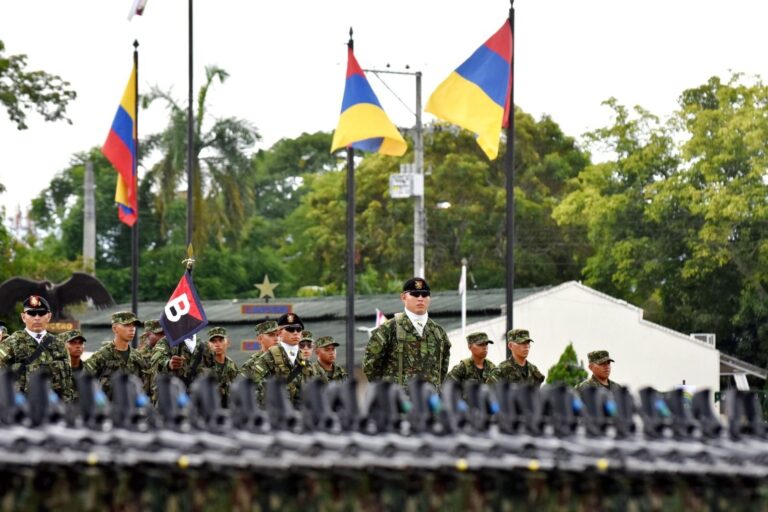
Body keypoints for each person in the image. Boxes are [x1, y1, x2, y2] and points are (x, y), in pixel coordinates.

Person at [363, 277, 451, 389]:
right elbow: (371, 366)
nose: (420, 298)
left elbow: (442, 370)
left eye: (424, 295)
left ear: (430, 298)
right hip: (398, 398)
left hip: (429, 398)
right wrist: (386, 392)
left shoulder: (438, 332)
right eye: (415, 294)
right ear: (403, 297)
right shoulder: (389, 328)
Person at [0, 295, 75, 401]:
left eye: (41, 313)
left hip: (54, 408)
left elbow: (67, 385)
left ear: (49, 316)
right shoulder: (11, 343)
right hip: (23, 408)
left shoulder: (59, 345)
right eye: (31, 313)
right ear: (23, 317)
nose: (37, 317)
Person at [244, 312, 317, 407]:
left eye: (299, 329)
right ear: (279, 333)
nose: (295, 332)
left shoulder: (306, 363)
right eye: (290, 329)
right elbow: (251, 390)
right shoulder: (268, 358)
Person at [84, 311, 148, 400]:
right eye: (126, 325)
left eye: (133, 325)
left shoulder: (137, 357)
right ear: (114, 329)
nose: (132, 329)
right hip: (109, 407)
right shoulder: (101, 356)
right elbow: (84, 381)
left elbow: (145, 385)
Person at [150, 322, 215, 399]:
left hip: (195, 398)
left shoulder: (204, 346)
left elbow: (213, 367)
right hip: (171, 396)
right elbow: (156, 358)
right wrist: (168, 363)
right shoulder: (167, 341)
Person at [206, 326, 239, 407]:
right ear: (208, 345)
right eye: (213, 341)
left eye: (221, 340)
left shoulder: (232, 365)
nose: (217, 344)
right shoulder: (204, 365)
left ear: (228, 343)